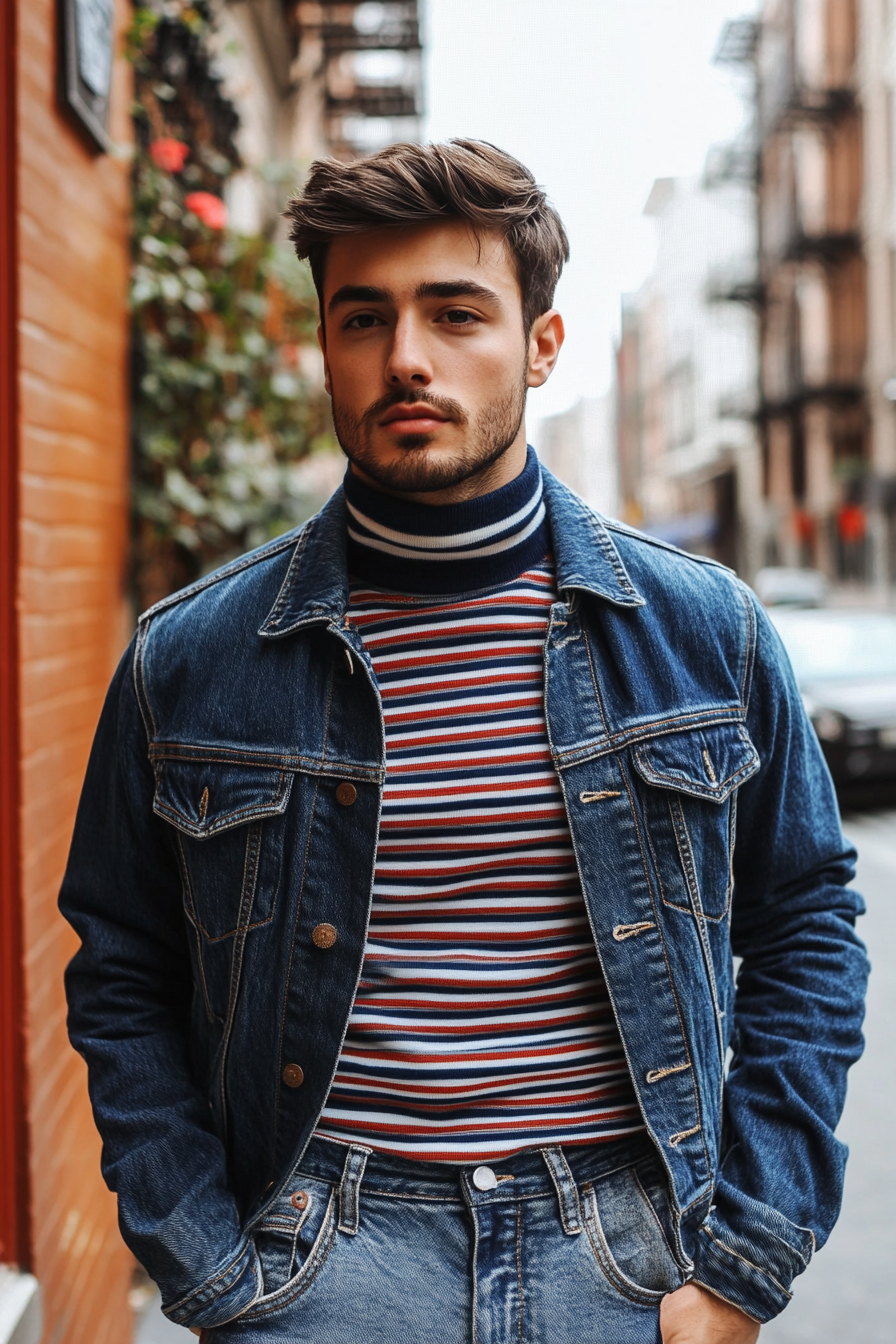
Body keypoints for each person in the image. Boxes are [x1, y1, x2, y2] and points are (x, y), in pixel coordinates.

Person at [60, 140, 868, 1344]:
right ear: (322, 345)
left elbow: (804, 926)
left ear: (540, 344)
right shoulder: (193, 660)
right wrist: (215, 1275)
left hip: (628, 1254)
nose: (406, 361)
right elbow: (121, 970)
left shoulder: (704, 632)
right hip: (321, 1255)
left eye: (455, 313)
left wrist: (741, 1261)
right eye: (363, 318)